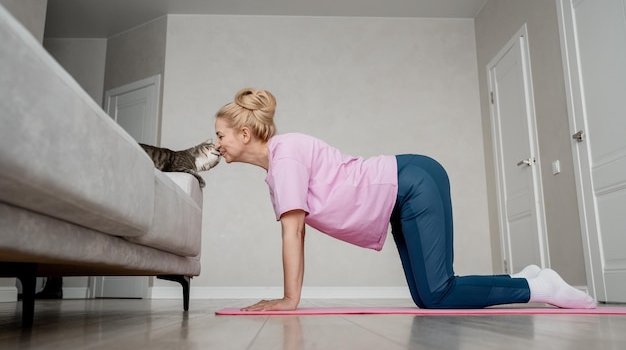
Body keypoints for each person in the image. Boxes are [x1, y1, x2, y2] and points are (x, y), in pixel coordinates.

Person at [214, 87, 597, 312]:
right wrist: (289, 299)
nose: (217, 145)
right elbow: (296, 231)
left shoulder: (286, 157)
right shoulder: (280, 162)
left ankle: (539, 288)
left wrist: (287, 300)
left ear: (245, 133)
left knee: (439, 292)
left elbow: (293, 233)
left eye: (220, 135)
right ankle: (523, 278)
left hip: (413, 182)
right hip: (402, 194)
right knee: (428, 298)